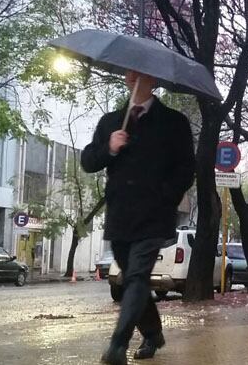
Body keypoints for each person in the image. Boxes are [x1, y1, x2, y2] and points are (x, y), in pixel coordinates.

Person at [82, 70, 195, 365]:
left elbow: (186, 169)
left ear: (152, 80)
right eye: (129, 75)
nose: (131, 79)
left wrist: (164, 196)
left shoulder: (173, 123)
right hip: (120, 215)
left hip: (154, 216)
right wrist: (109, 148)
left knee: (135, 276)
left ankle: (117, 345)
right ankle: (154, 333)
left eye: (139, 75)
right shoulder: (111, 122)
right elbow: (88, 161)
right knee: (135, 280)